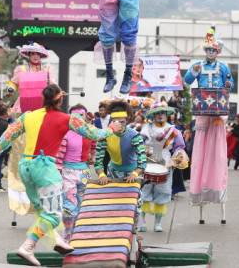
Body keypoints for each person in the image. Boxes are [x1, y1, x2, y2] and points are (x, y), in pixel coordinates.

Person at [0, 84, 124, 266]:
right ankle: (28, 246)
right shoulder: (68, 119)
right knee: (54, 215)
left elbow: (7, 136)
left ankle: (57, 240)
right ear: (60, 100)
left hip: (26, 166)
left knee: (41, 209)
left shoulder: (27, 116)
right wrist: (112, 128)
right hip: (44, 167)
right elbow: (94, 134)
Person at [183, 28, 234, 224]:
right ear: (205, 51)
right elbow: (187, 81)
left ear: (217, 52)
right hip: (202, 107)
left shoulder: (222, 67)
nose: (210, 53)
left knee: (218, 153)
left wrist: (228, 85)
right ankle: (200, 190)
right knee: (200, 151)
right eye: (208, 50)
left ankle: (217, 192)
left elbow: (229, 82)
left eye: (214, 50)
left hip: (218, 108)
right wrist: (193, 71)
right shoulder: (197, 66)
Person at [5, 42, 56, 221]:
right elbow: (12, 84)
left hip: (42, 112)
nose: (34, 56)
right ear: (28, 55)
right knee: (20, 147)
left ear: (41, 56)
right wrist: (9, 89)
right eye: (32, 53)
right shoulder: (21, 69)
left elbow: (53, 87)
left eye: (37, 54)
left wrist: (58, 94)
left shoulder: (47, 69)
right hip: (24, 111)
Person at [95, 99, 147, 229]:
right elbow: (98, 160)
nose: (119, 125)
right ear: (111, 121)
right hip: (113, 171)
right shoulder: (104, 135)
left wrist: (135, 174)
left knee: (135, 205)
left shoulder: (135, 135)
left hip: (133, 172)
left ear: (127, 121)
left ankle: (136, 231)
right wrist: (102, 175)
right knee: (114, 205)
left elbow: (142, 161)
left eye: (122, 122)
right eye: (115, 122)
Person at [139, 102, 188, 232]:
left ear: (167, 115)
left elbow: (179, 147)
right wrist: (141, 149)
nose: (160, 115)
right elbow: (139, 143)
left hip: (165, 162)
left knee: (162, 192)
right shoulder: (145, 128)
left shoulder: (173, 130)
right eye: (157, 113)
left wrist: (178, 156)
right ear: (153, 115)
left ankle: (158, 223)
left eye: (163, 113)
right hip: (148, 161)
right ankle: (141, 222)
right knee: (144, 191)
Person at [54, 103, 95, 242]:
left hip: (84, 172)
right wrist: (58, 174)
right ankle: (67, 235)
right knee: (69, 207)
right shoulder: (65, 134)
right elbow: (59, 157)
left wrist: (93, 156)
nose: (78, 118)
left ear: (85, 116)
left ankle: (77, 235)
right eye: (75, 115)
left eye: (81, 115)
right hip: (68, 173)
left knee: (82, 205)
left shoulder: (90, 132)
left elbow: (96, 144)